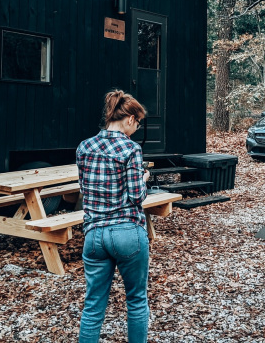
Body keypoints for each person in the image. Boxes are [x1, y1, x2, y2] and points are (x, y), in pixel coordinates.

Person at [76, 90, 151, 343]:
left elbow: (85, 190)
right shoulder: (130, 149)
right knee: (137, 301)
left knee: (93, 305)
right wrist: (143, 179)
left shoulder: (84, 147)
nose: (137, 129)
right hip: (127, 232)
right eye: (137, 123)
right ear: (129, 119)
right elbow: (137, 197)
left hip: (94, 234)